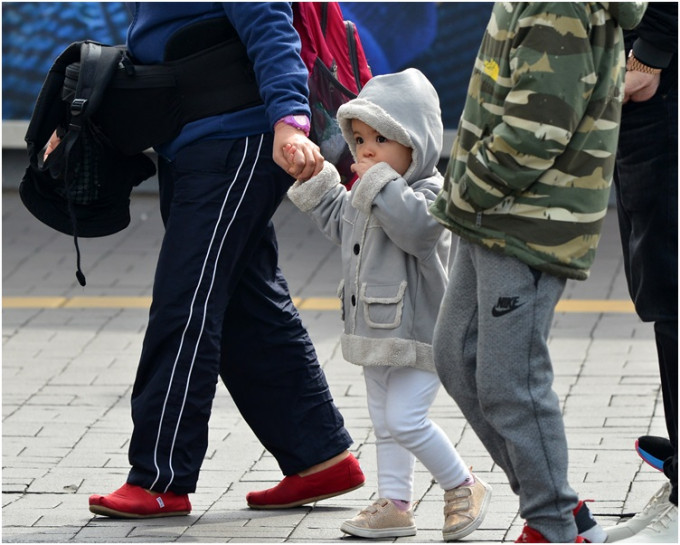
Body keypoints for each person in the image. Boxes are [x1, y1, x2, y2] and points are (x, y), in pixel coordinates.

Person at [85, 3, 366, 518]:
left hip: (236, 141)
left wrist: (288, 120)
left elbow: (270, 27)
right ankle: (319, 456)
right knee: (245, 303)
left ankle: (161, 477)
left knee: (185, 301)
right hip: (193, 146)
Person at [428, 3, 647, 543]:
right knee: (456, 357)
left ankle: (552, 525)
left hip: (527, 220)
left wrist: (462, 189)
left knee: (511, 382)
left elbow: (536, 129)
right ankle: (558, 507)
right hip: (490, 213)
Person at [286, 68, 491, 541]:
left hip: (421, 333)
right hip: (376, 329)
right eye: (359, 140)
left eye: (381, 138)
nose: (366, 151)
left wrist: (376, 181)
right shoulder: (375, 188)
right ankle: (395, 503)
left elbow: (417, 231)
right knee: (384, 423)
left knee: (405, 419)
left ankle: (464, 484)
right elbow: (342, 221)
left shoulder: (429, 193)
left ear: (416, 143)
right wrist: (318, 180)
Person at [603, 3, 678, 543]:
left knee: (675, 298)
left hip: (663, 85)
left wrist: (650, 56)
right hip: (653, 91)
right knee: (665, 299)